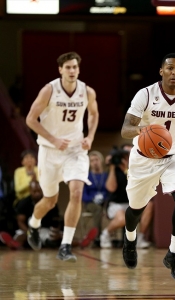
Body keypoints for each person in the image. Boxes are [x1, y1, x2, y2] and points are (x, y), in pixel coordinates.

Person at [120, 53, 175, 282]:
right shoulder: (146, 94)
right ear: (161, 71)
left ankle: (174, 255)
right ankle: (129, 240)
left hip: (174, 157)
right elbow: (125, 128)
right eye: (170, 68)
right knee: (136, 210)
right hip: (143, 158)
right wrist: (141, 131)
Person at [25, 51, 99, 262]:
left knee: (76, 192)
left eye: (75, 67)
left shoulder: (87, 91)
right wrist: (53, 139)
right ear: (60, 70)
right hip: (50, 150)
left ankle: (65, 246)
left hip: (75, 149)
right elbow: (30, 119)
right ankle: (34, 225)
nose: (72, 70)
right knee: (49, 201)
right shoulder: (49, 90)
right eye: (68, 67)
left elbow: (94, 114)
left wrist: (91, 136)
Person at [99, 146, 131, 248]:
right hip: (115, 204)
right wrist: (112, 168)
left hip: (131, 204)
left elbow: (135, 186)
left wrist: (126, 169)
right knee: (122, 219)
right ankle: (106, 234)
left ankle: (140, 239)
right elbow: (111, 188)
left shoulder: (133, 170)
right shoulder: (114, 170)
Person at [81, 150, 108, 245]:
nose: (95, 162)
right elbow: (83, 195)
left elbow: (109, 190)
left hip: (105, 201)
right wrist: (93, 198)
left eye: (96, 159)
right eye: (92, 160)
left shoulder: (106, 175)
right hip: (90, 203)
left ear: (101, 160)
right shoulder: (86, 176)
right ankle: (97, 237)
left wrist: (103, 197)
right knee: (97, 209)